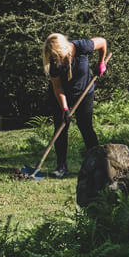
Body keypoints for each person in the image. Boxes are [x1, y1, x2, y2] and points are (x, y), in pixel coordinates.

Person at [43, 32, 107, 177]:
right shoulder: (54, 63)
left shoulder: (82, 46)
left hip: (85, 92)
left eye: (59, 56)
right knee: (61, 127)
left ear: (65, 48)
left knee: (85, 126)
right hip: (62, 95)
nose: (58, 60)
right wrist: (65, 108)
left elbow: (102, 42)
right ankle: (61, 167)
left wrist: (101, 62)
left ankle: (97, 163)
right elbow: (58, 88)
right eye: (54, 57)